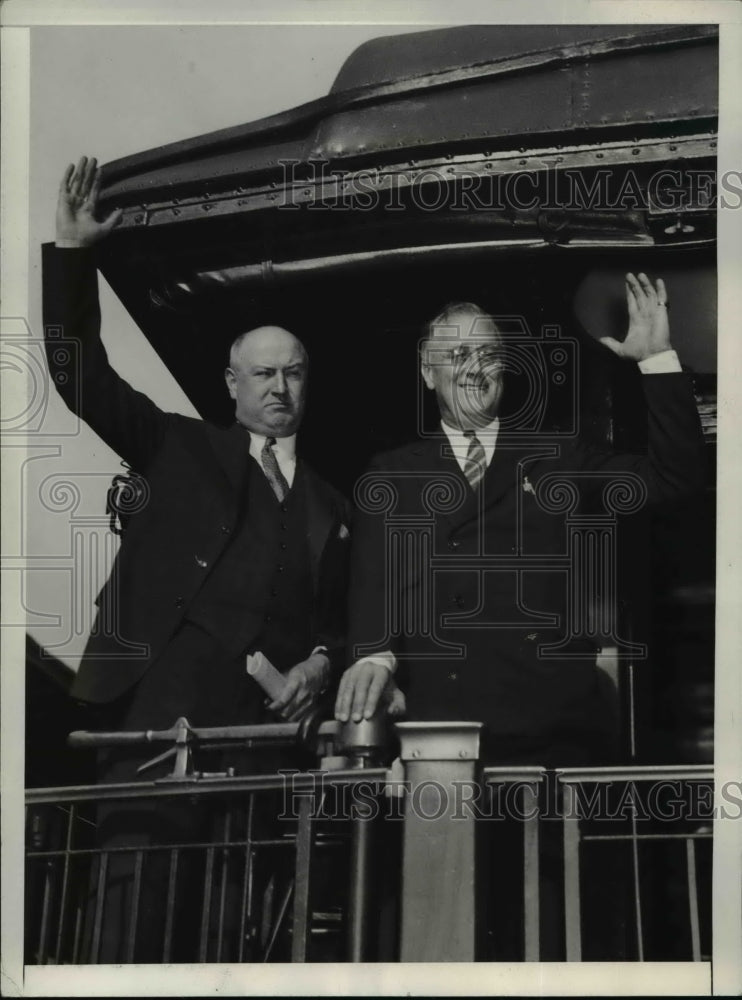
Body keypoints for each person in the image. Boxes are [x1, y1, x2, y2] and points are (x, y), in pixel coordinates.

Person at [42, 155, 350, 961]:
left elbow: (343, 620)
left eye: (292, 373)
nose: (278, 388)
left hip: (258, 747)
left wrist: (322, 659)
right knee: (129, 931)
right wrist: (72, 258)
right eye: (262, 374)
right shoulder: (177, 446)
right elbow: (80, 377)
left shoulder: (331, 502)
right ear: (230, 384)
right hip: (151, 726)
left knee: (228, 943)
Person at [335, 283, 705, 764]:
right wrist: (374, 659)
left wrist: (656, 358)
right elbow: (373, 595)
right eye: (459, 352)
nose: (474, 366)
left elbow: (674, 479)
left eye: (488, 353)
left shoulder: (557, 456)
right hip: (440, 736)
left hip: (554, 736)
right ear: (429, 372)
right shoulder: (390, 474)